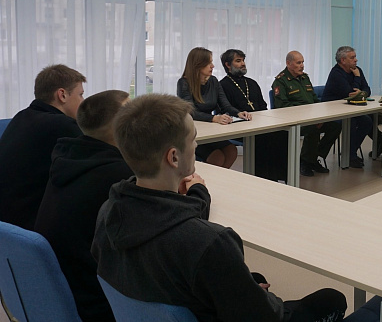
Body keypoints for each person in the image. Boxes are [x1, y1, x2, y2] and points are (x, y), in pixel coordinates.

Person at [92, 94, 347, 322]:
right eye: (193, 140)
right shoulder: (211, 243)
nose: (196, 146)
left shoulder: (109, 211)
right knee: (332, 299)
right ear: (173, 157)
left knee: (252, 278)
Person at [35, 90, 132, 322]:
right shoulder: (117, 173)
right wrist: (197, 192)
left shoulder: (70, 156)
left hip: (64, 288)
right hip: (97, 300)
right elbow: (165, 222)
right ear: (119, 126)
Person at [0, 64, 86, 229]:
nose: (83, 101)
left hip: (8, 224)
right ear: (62, 95)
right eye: (80, 95)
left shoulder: (22, 116)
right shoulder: (62, 125)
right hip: (30, 223)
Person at [220, 49, 289, 182]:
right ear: (228, 65)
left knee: (281, 133)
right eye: (238, 61)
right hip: (237, 126)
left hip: (258, 123)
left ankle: (282, 175)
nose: (243, 64)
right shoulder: (222, 85)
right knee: (263, 138)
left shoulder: (251, 83)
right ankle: (264, 179)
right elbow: (224, 110)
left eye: (243, 60)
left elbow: (262, 106)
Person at [177, 47, 251, 168]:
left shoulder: (213, 81)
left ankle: (219, 183)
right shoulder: (184, 83)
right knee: (217, 157)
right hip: (193, 132)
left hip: (210, 130)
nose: (212, 66)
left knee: (232, 150)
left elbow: (225, 105)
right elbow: (190, 112)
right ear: (198, 65)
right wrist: (214, 118)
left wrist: (238, 113)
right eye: (209, 63)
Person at [272, 51, 341, 177]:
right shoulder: (280, 81)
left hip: (311, 118)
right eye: (298, 63)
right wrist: (307, 115)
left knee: (335, 126)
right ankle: (307, 162)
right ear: (288, 63)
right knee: (313, 130)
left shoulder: (305, 78)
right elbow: (282, 107)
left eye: (303, 62)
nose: (302, 65)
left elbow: (314, 100)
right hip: (293, 121)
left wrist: (320, 117)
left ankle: (312, 158)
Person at [322, 46, 382, 169]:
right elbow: (349, 93)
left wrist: (363, 93)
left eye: (355, 57)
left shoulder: (357, 70)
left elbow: (367, 89)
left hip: (350, 107)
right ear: (343, 60)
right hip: (333, 109)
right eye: (352, 57)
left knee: (367, 120)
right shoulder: (336, 73)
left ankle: (351, 152)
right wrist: (357, 79)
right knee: (354, 120)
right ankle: (351, 155)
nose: (356, 60)